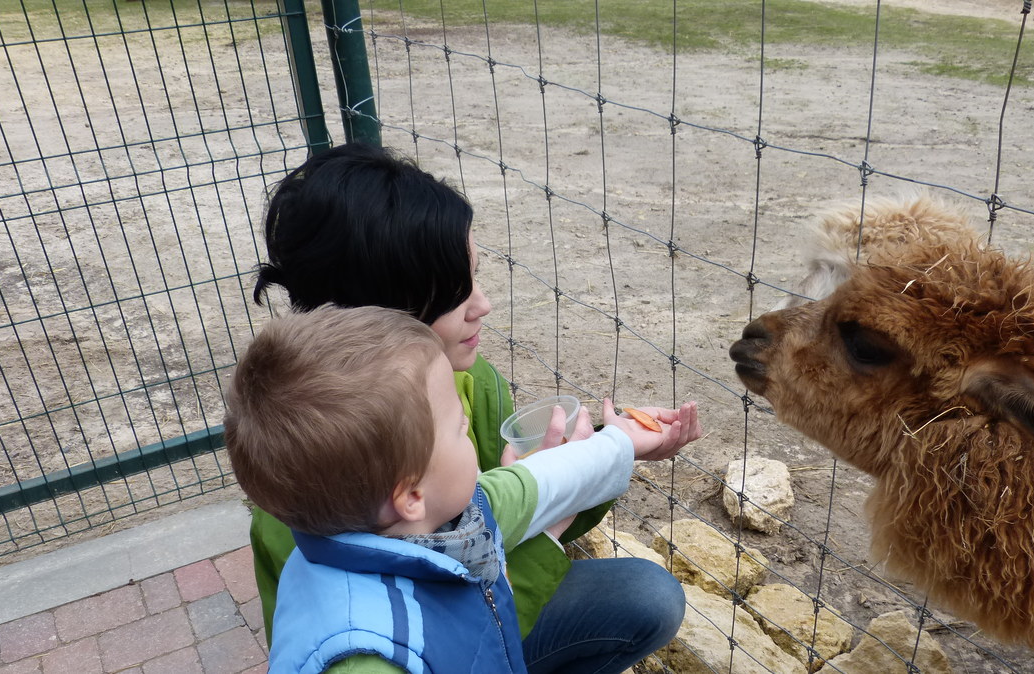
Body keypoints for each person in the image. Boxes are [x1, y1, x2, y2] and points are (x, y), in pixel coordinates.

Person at [250, 142, 700, 673]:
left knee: (646, 594)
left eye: (476, 276)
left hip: (483, 597)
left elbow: (502, 510)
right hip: (444, 640)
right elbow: (472, 592)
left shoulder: (473, 383)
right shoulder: (308, 497)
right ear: (390, 309)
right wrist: (550, 529)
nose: (482, 304)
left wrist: (608, 447)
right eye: (456, 291)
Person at [225, 305, 694, 673]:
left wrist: (621, 442)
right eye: (456, 427)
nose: (467, 420)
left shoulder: (436, 518)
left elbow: (539, 481)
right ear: (410, 494)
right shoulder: (364, 656)